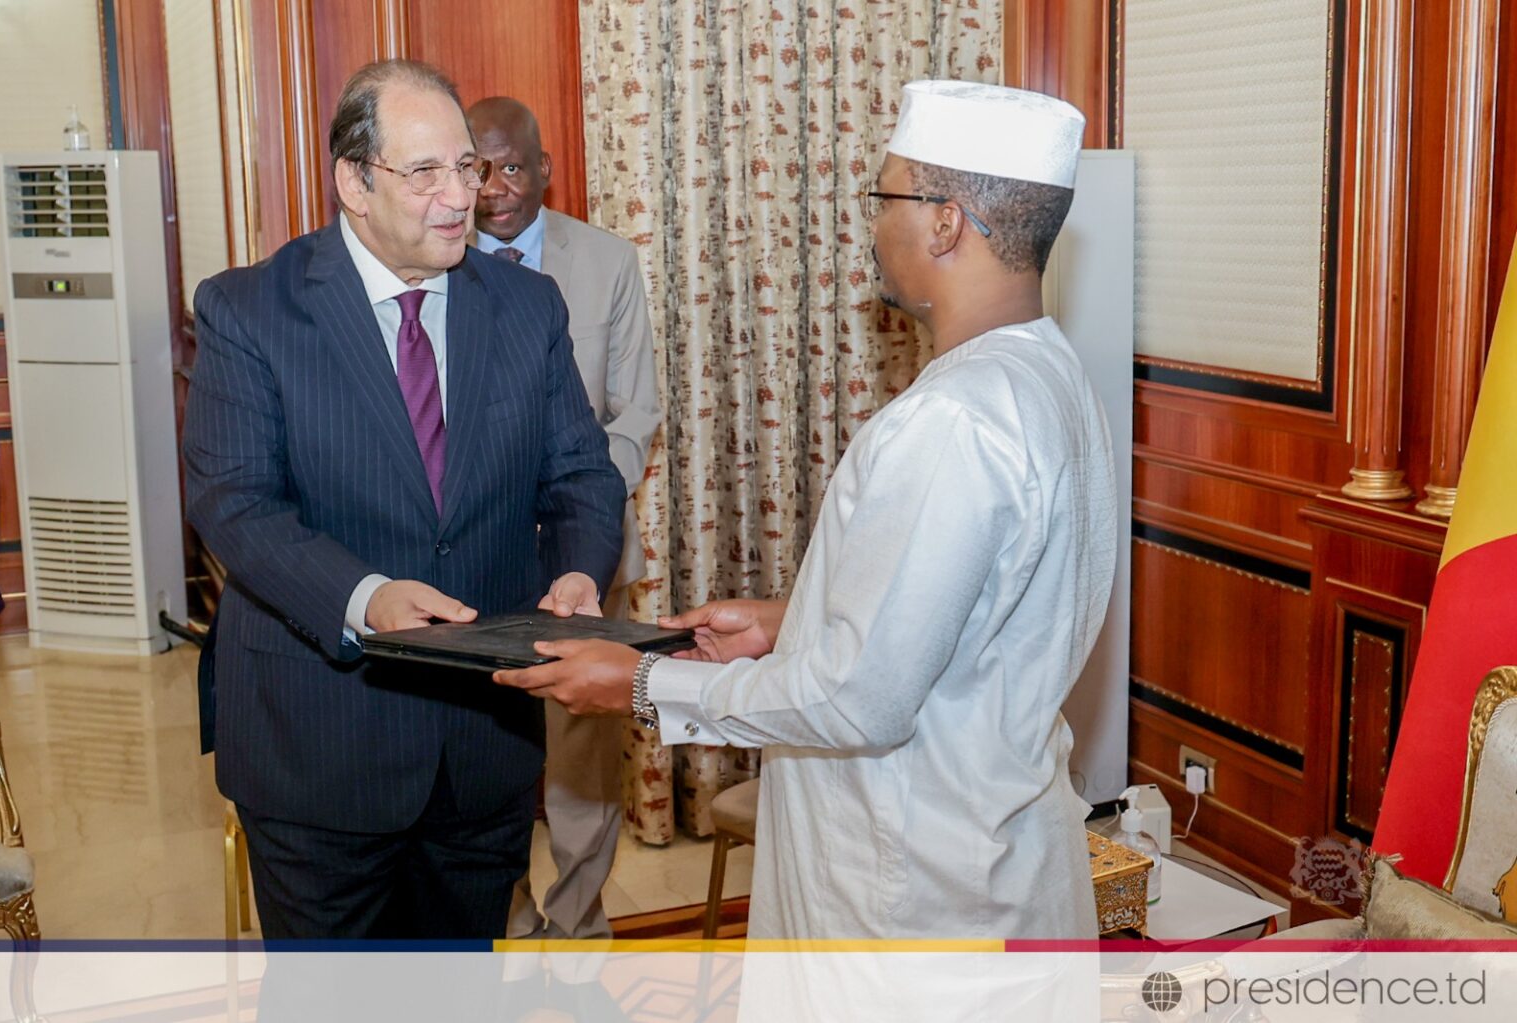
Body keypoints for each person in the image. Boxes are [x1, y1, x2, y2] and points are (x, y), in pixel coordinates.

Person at [493, 81, 1115, 939]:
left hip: (914, 888)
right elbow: (969, 621)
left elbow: (859, 699)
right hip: (992, 850)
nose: (872, 226)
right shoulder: (1051, 376)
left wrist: (637, 681)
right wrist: (795, 620)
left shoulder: (952, 420)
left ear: (946, 224)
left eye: (885, 197)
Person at [182, 59, 625, 939]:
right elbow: (235, 501)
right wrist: (365, 596)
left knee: (458, 990)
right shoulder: (250, 310)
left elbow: (581, 471)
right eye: (425, 173)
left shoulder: (527, 306)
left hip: (481, 749)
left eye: (466, 167)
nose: (461, 197)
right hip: (319, 746)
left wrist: (580, 570)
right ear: (354, 182)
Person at [465, 95, 662, 942]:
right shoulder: (436, 260)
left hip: (586, 544)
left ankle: (579, 930)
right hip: (479, 553)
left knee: (582, 752)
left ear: (544, 168)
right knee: (490, 749)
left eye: (512, 167)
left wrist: (581, 506)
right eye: (478, 170)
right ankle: (508, 921)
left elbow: (635, 412)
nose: (495, 188)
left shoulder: (606, 260)